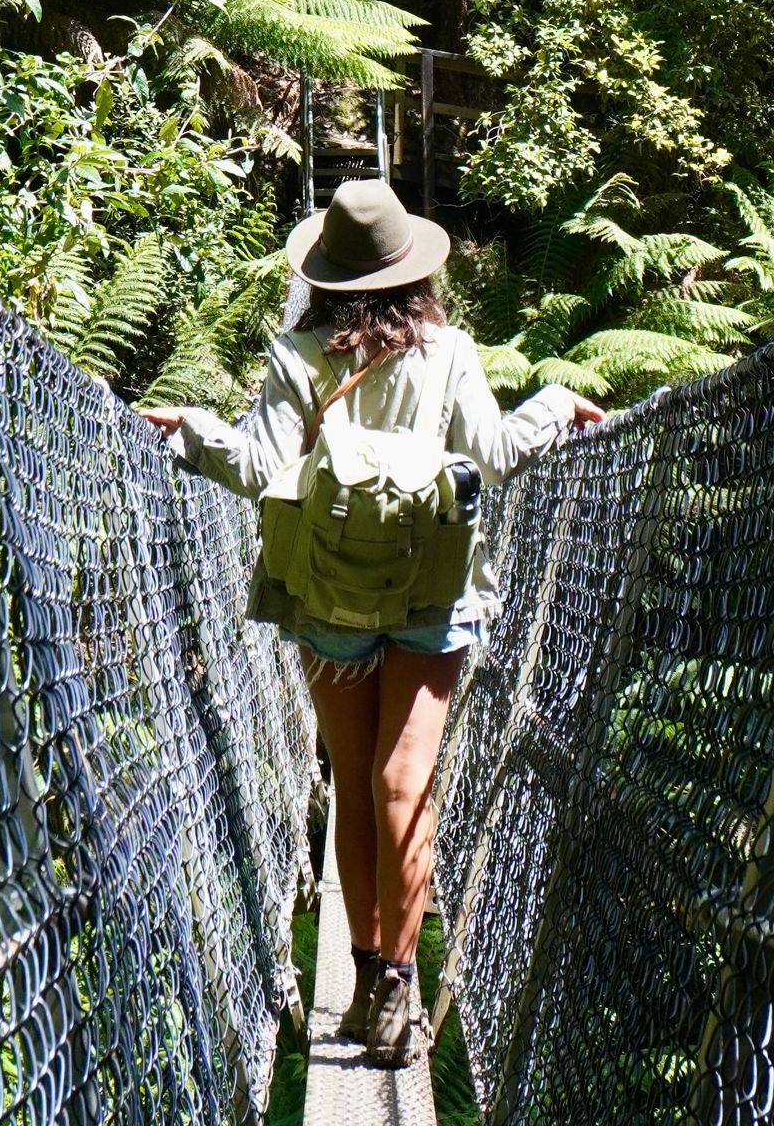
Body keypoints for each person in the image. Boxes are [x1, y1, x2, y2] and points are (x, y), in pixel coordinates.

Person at [142, 178, 604, 1068]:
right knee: (406, 784)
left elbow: (260, 470)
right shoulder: (451, 350)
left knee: (355, 785)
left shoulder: (298, 352)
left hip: (329, 599)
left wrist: (190, 429)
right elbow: (498, 456)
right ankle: (400, 984)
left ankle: (358, 980)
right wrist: (554, 404)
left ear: (327, 272)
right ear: (412, 267)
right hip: (433, 596)